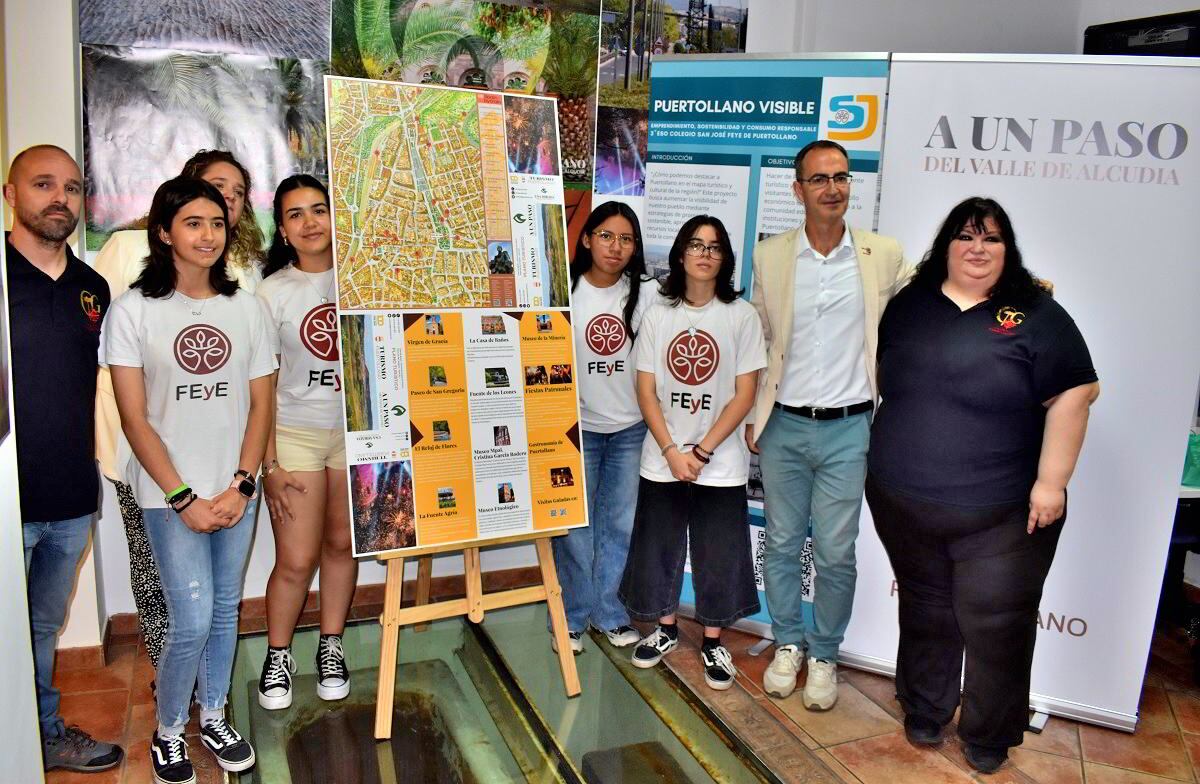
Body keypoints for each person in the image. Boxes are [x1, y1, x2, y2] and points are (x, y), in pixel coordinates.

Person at [864, 197, 1098, 773]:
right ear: (946, 243)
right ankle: (924, 708)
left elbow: (1078, 390)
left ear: (1007, 248)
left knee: (997, 624)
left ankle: (990, 734)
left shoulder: (1037, 312)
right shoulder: (909, 303)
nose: (977, 248)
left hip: (1001, 514)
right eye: (966, 236)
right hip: (904, 501)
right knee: (925, 610)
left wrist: (1052, 482)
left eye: (991, 239)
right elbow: (885, 376)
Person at [104, 177, 274, 783]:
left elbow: (261, 404)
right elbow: (134, 417)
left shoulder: (246, 307)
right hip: (166, 493)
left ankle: (216, 714)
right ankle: (170, 728)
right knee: (192, 617)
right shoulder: (132, 311)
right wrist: (182, 496)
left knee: (227, 608)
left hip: (236, 488)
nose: (208, 235)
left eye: (217, 224)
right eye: (193, 223)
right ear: (164, 232)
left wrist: (243, 485)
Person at [748, 139, 909, 710]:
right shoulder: (770, 256)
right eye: (819, 179)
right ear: (799, 190)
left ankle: (825, 654)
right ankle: (787, 642)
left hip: (850, 429)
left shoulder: (882, 255)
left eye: (841, 177)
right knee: (784, 543)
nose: (833, 188)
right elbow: (759, 338)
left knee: (837, 550)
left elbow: (929, 306)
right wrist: (751, 414)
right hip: (784, 426)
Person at [93, 149, 264, 668]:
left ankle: (206, 692)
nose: (227, 203)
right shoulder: (125, 250)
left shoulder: (241, 271)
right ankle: (166, 679)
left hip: (223, 454)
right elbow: (108, 349)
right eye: (217, 188)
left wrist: (249, 472)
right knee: (157, 574)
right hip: (142, 446)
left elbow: (257, 382)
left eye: (236, 195)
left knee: (215, 598)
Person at [4, 144, 124, 773]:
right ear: (10, 194)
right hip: (7, 501)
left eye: (72, 188)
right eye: (43, 184)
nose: (60, 199)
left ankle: (41, 733)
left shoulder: (91, 287)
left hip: (72, 498)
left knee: (42, 627)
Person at [619, 215, 766, 691]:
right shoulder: (659, 315)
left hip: (718, 462)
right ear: (681, 255)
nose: (705, 253)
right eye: (696, 245)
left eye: (715, 246)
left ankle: (713, 641)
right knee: (659, 546)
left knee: (718, 552)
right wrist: (670, 449)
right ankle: (664, 630)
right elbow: (646, 391)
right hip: (663, 455)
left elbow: (745, 394)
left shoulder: (741, 315)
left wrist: (700, 453)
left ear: (724, 259)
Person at [255, 175, 355, 710]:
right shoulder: (271, 292)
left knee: (342, 545)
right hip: (294, 436)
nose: (311, 222)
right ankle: (278, 653)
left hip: (355, 434)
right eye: (296, 214)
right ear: (284, 230)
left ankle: (331, 645)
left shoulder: (364, 277)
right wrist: (268, 463)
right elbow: (263, 384)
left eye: (320, 209)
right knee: (294, 559)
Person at [553, 201, 658, 653]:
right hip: (575, 430)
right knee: (574, 528)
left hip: (632, 427)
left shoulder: (648, 292)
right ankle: (573, 617)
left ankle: (610, 613)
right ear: (586, 239)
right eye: (607, 236)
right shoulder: (564, 289)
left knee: (619, 524)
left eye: (626, 239)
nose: (616, 247)